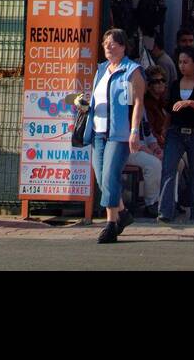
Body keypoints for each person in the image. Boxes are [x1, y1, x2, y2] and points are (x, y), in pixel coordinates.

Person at [82, 28, 146, 243]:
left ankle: (111, 223)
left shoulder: (132, 70)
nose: (108, 47)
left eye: (114, 43)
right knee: (101, 178)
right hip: (97, 132)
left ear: (123, 46)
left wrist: (134, 131)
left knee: (110, 176)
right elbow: (96, 98)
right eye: (106, 43)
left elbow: (137, 102)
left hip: (118, 134)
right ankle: (123, 212)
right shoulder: (101, 69)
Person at [157, 46, 194, 222]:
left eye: (186, 62)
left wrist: (189, 103)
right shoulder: (175, 84)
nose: (182, 66)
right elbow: (169, 110)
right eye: (180, 62)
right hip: (176, 131)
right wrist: (164, 128)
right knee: (168, 169)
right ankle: (165, 212)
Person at [130, 65, 168, 217]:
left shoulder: (141, 105)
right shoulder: (126, 105)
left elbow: (148, 134)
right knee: (153, 164)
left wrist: (156, 148)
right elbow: (133, 140)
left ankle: (170, 200)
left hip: (143, 147)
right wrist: (151, 152)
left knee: (168, 160)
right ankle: (152, 203)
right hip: (127, 149)